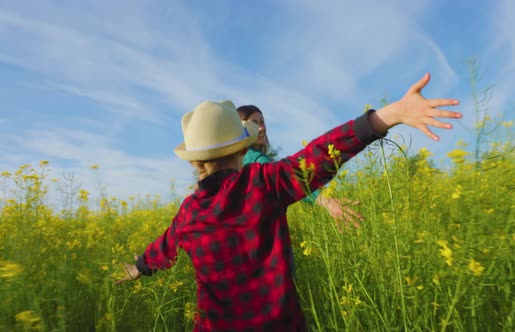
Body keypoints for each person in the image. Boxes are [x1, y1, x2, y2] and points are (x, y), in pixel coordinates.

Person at [117, 73, 462, 331]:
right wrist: (388, 115)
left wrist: (137, 269)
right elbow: (319, 155)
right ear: (241, 149)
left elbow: (163, 248)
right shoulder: (263, 183)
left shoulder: (189, 214)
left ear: (194, 163)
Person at [236, 104, 363, 228]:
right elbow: (292, 181)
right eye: (254, 123)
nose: (262, 128)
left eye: (262, 122)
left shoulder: (232, 160)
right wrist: (328, 202)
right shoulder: (259, 160)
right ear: (242, 128)